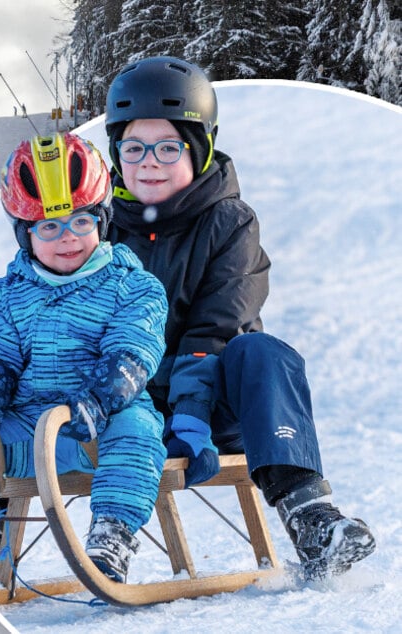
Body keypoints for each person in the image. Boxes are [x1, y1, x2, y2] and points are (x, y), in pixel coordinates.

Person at [102, 55, 376, 581]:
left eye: (167, 147)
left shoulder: (230, 221)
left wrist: (192, 410)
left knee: (261, 350)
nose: (148, 162)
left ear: (199, 149)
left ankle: (310, 516)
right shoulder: (101, 228)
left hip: (215, 408)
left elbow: (220, 322)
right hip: (126, 402)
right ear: (116, 153)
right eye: (133, 148)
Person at [0, 133, 168, 593]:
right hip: (29, 431)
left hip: (101, 425)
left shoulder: (134, 286)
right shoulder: (9, 293)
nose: (67, 238)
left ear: (103, 220)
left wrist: (100, 397)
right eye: (48, 228)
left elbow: (134, 346)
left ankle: (112, 535)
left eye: (80, 221)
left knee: (138, 431)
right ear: (25, 233)